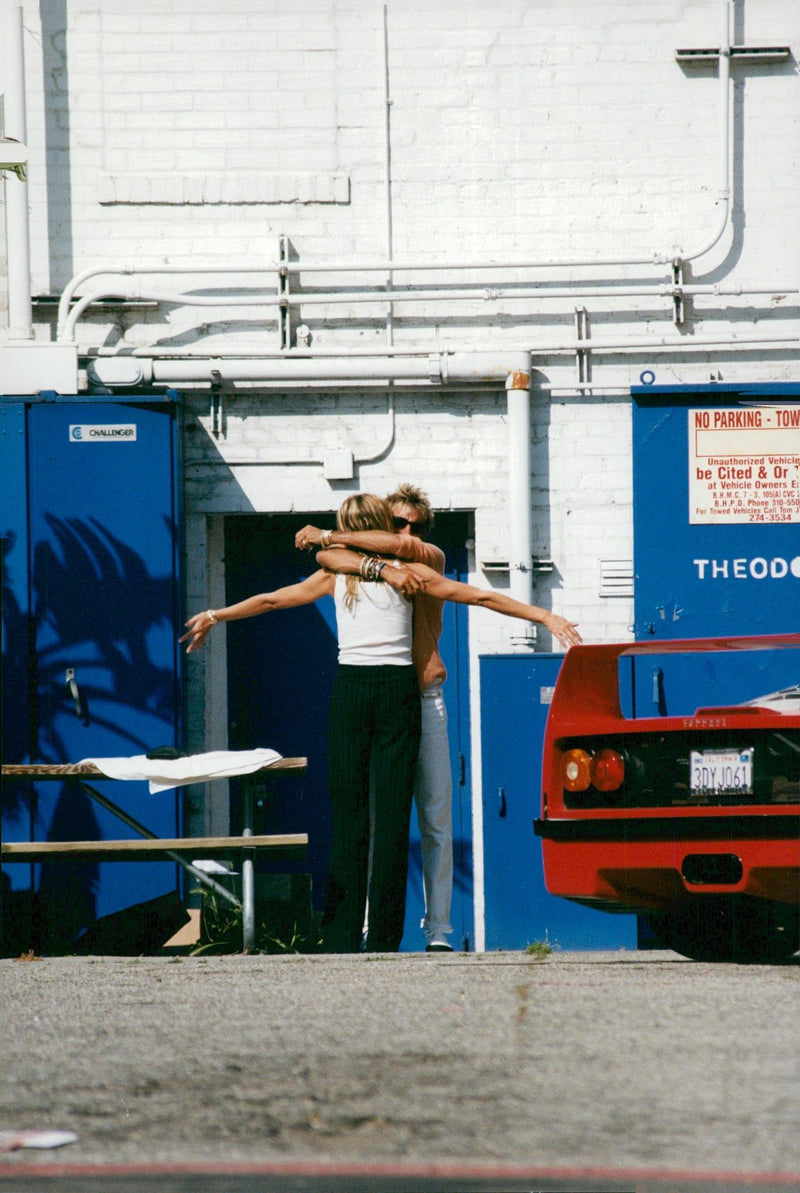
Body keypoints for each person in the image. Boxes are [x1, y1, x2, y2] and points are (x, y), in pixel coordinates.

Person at [183, 494, 581, 953]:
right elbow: (283, 592)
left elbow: (478, 594)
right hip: (382, 689)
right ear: (380, 527)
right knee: (370, 817)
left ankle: (363, 936)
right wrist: (218, 613)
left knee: (374, 816)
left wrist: (219, 613)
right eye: (393, 526)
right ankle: (369, 936)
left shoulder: (416, 563)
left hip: (385, 689)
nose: (400, 534)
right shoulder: (354, 571)